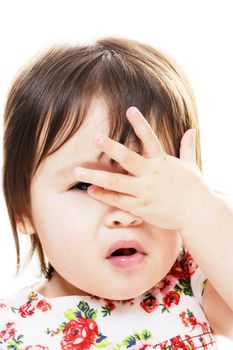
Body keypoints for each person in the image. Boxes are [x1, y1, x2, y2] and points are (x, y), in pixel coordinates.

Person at [0, 37, 232, 350]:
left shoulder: (196, 283)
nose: (124, 214)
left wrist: (199, 209)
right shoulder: (10, 328)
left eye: (148, 181)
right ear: (23, 211)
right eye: (84, 185)